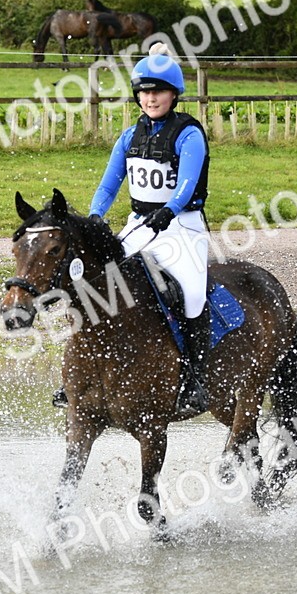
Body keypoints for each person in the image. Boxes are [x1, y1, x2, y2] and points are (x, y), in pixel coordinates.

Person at [54, 45, 212, 416]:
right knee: (96, 284)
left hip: (182, 227)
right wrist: (95, 215)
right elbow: (110, 185)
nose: (151, 97)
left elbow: (186, 185)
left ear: (173, 95)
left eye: (158, 91)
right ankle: (77, 375)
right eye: (144, 91)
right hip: (139, 225)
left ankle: (196, 379)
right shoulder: (129, 137)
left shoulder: (189, 134)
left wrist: (169, 211)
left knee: (189, 293)